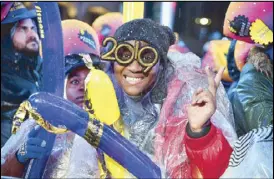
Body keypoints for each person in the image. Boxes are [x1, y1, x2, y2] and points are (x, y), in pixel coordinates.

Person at [101, 18, 237, 178]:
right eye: (125, 55)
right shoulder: (98, 103)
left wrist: (200, 133)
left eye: (147, 57)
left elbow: (220, 173)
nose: (134, 67)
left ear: (162, 65)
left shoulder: (183, 110)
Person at [1, 19, 100, 178]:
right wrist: (19, 158)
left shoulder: (107, 127)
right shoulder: (35, 125)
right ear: (57, 84)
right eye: (74, 81)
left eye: (90, 80)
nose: (84, 88)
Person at [1, 2, 43, 147]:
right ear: (7, 34)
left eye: (33, 28)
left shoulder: (39, 69)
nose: (32, 35)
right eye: (23, 29)